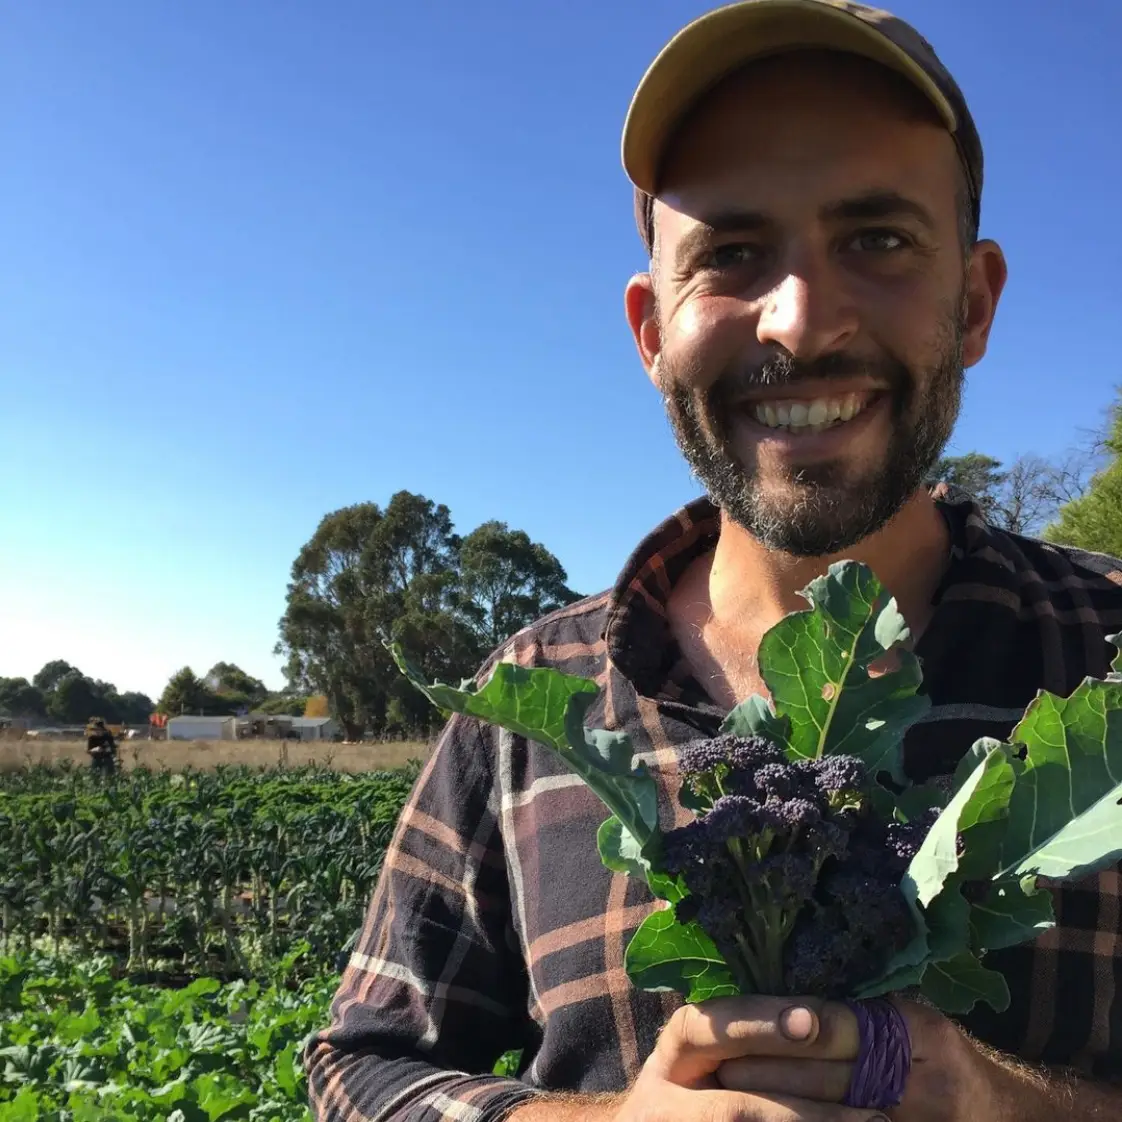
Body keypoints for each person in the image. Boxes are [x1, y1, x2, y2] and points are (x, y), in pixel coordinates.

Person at [305, 2, 1122, 1119]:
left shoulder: (1106, 655)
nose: (799, 321)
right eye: (732, 254)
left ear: (973, 302)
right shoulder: (525, 712)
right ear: (653, 330)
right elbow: (358, 1068)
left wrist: (1009, 1105)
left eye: (877, 240)